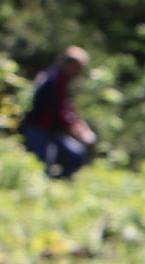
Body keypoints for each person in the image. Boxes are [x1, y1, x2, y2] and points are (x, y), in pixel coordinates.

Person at [21, 45, 97, 177]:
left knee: (76, 156)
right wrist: (80, 132)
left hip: (52, 132)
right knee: (43, 168)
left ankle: (59, 186)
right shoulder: (54, 80)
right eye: (79, 67)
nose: (79, 72)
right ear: (70, 64)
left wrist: (81, 127)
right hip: (39, 130)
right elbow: (60, 113)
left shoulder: (62, 81)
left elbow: (68, 108)